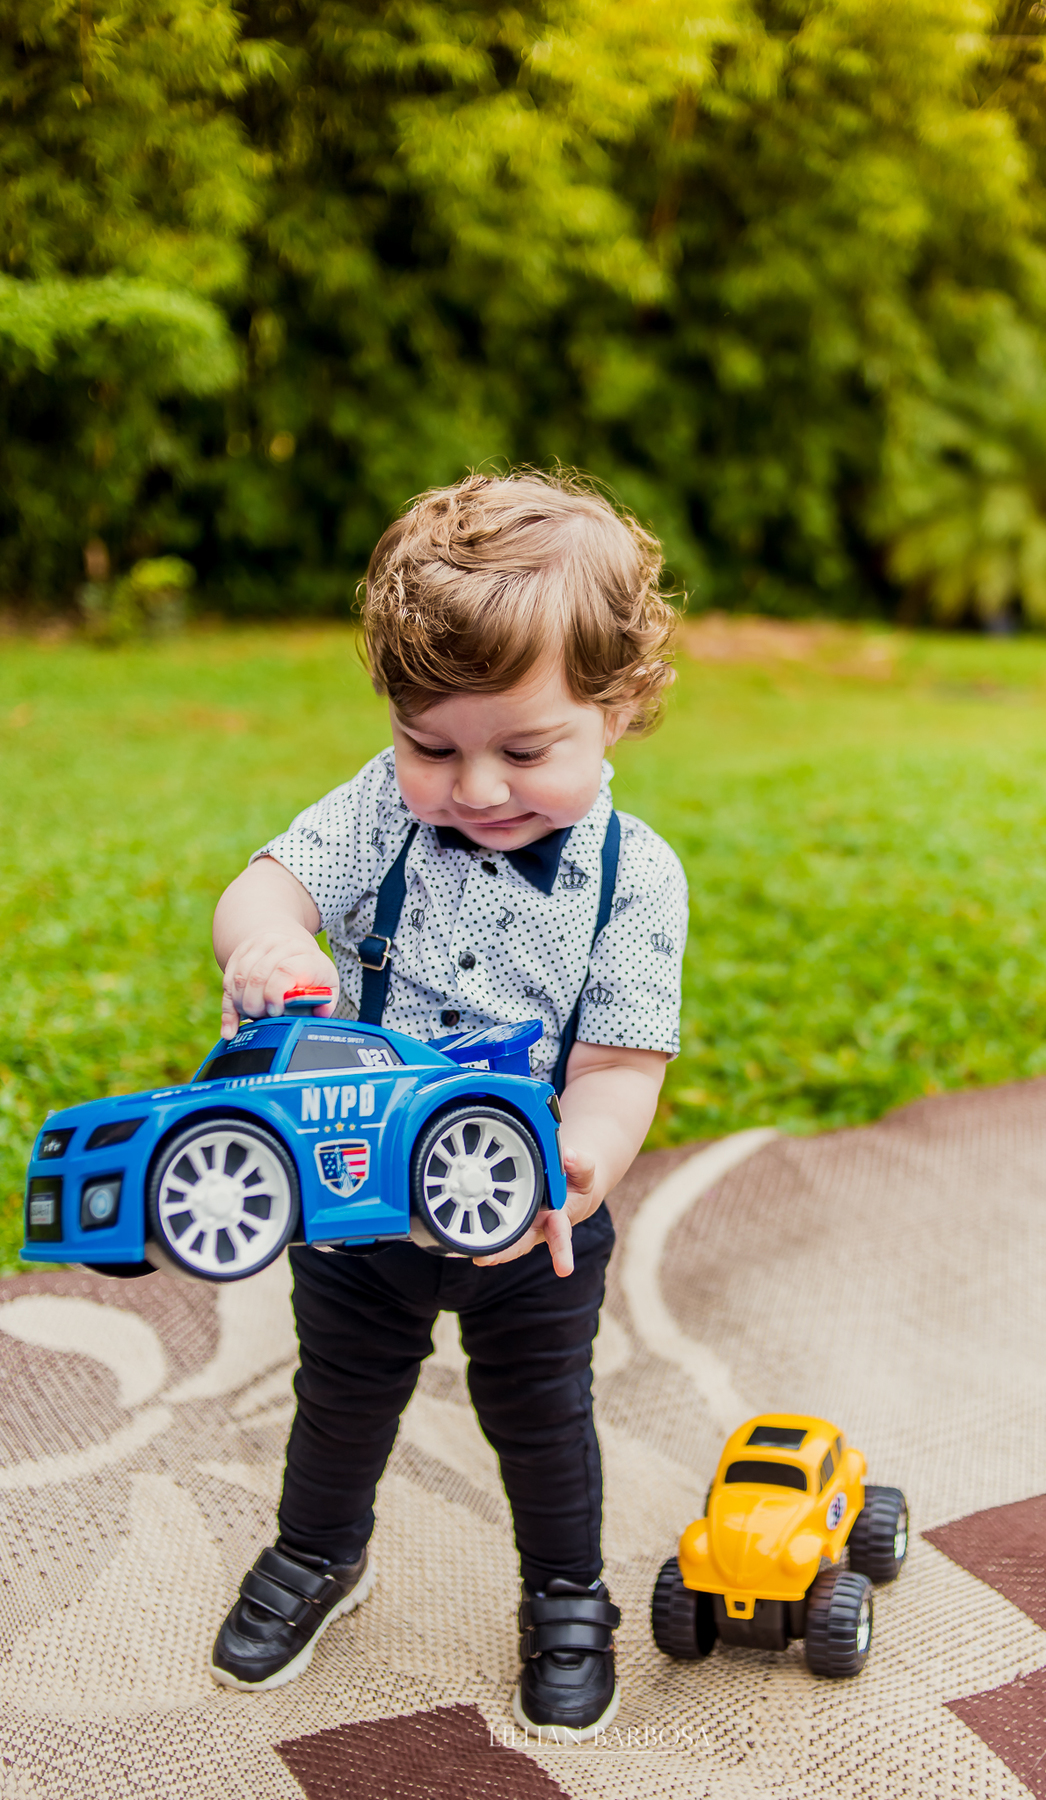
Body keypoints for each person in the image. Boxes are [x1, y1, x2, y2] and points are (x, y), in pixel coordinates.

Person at [206, 471, 688, 1741]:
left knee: (542, 1418)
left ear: (618, 708)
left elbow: (623, 1064)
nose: (475, 789)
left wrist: (578, 1165)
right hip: (358, 1210)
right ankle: (319, 1553)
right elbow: (266, 885)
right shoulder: (379, 810)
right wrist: (262, 945)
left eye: (525, 751)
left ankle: (566, 1592)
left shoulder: (637, 880)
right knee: (342, 1397)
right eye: (434, 745)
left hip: (534, 1227)